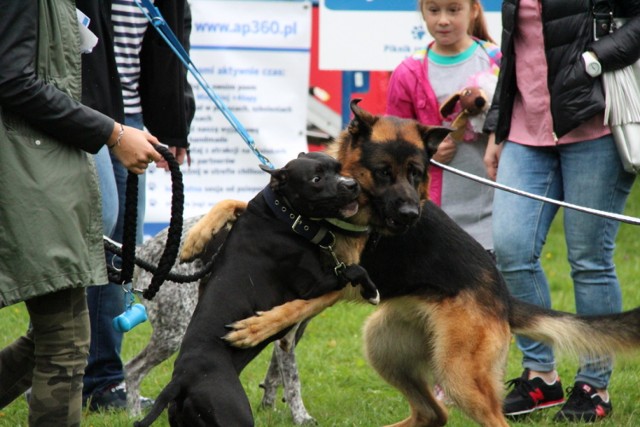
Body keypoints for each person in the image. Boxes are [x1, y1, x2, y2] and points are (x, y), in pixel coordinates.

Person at [0, 1, 163, 425]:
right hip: (26, 169)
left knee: (60, 336)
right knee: (65, 339)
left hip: (37, 165)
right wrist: (111, 131)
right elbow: (12, 79)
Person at [483, 0, 640, 422]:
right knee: (512, 248)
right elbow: (516, 47)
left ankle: (594, 385)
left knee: (588, 258)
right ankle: (541, 376)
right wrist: (499, 128)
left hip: (594, 122)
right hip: (525, 129)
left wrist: (594, 60)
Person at [82, 0, 194, 411]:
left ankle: (103, 381)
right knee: (101, 230)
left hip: (133, 120)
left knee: (119, 248)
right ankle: (63, 370)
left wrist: (173, 126)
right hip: (83, 113)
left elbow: (172, 48)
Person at [386, 0, 500, 254]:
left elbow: (517, 121)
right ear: (423, 12)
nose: (443, 20)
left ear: (474, 10)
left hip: (494, 205)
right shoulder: (408, 72)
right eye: (434, 10)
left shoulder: (495, 60)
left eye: (453, 9)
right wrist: (426, 153)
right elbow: (394, 144)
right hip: (437, 215)